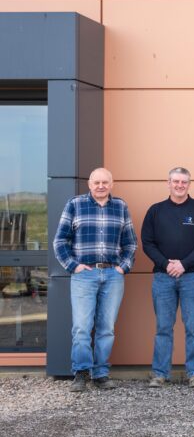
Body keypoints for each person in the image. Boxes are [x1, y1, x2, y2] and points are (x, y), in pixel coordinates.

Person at [53, 168, 137, 392]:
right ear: (89, 184)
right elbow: (60, 241)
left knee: (106, 328)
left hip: (112, 275)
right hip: (84, 275)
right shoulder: (75, 204)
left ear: (112, 184)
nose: (101, 186)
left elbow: (130, 243)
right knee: (81, 327)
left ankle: (100, 373)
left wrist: (122, 268)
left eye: (105, 182)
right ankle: (81, 373)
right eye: (96, 182)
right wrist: (74, 266)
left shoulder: (120, 206)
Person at [141, 166, 194, 388]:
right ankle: (160, 373)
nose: (180, 185)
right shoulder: (156, 211)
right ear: (168, 183)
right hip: (163, 278)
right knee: (163, 326)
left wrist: (183, 264)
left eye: (184, 182)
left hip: (192, 276)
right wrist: (166, 264)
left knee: (193, 326)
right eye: (176, 181)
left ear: (189, 184)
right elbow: (147, 242)